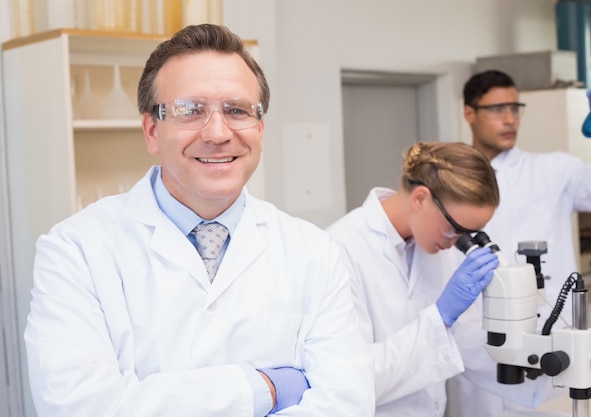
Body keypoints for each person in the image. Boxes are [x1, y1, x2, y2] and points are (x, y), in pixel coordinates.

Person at [24, 24, 374, 417]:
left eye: (236, 110)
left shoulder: (314, 253)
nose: (218, 132)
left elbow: (348, 403)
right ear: (152, 130)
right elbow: (77, 406)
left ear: (259, 128)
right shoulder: (75, 251)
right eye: (191, 110)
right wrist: (262, 387)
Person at [445, 69, 591, 417]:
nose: (510, 119)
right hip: (480, 353)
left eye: (515, 108)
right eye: (497, 109)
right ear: (469, 113)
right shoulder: (451, 180)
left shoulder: (552, 170)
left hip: (552, 344)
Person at [326, 141, 502, 417]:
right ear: (420, 198)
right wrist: (439, 317)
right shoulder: (340, 248)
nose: (458, 242)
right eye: (455, 229)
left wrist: (543, 351)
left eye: (469, 234)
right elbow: (353, 378)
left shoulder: (435, 242)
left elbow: (462, 343)